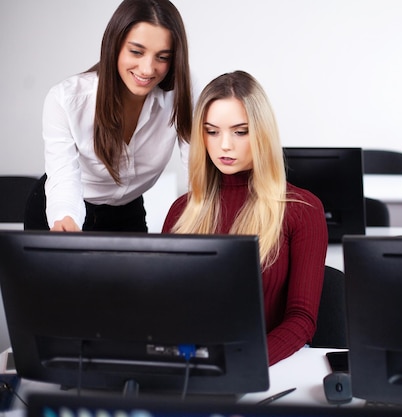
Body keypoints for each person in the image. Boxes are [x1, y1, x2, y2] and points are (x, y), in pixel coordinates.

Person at [162, 71, 328, 365]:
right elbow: (166, 311)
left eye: (240, 131)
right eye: (212, 131)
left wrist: (241, 363)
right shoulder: (181, 212)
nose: (225, 145)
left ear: (262, 133)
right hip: (193, 369)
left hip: (265, 368)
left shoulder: (302, 210)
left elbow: (301, 321)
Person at [37, 0, 192, 232]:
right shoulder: (66, 99)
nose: (148, 69)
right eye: (136, 52)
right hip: (65, 208)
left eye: (162, 57)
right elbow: (64, 180)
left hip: (127, 211)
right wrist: (66, 224)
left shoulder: (182, 96)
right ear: (114, 45)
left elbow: (197, 168)